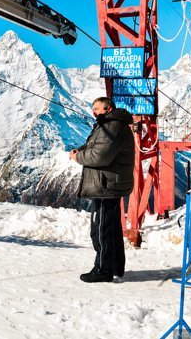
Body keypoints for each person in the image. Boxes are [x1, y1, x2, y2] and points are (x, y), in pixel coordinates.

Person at [70, 97, 135, 283]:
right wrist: (80, 151)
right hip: (108, 183)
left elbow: (99, 156)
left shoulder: (112, 126)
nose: (94, 112)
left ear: (108, 109)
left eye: (97, 108)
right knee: (110, 228)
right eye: (93, 108)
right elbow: (96, 146)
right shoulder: (108, 125)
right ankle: (114, 266)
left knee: (100, 229)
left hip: (106, 185)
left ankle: (103, 269)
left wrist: (78, 157)